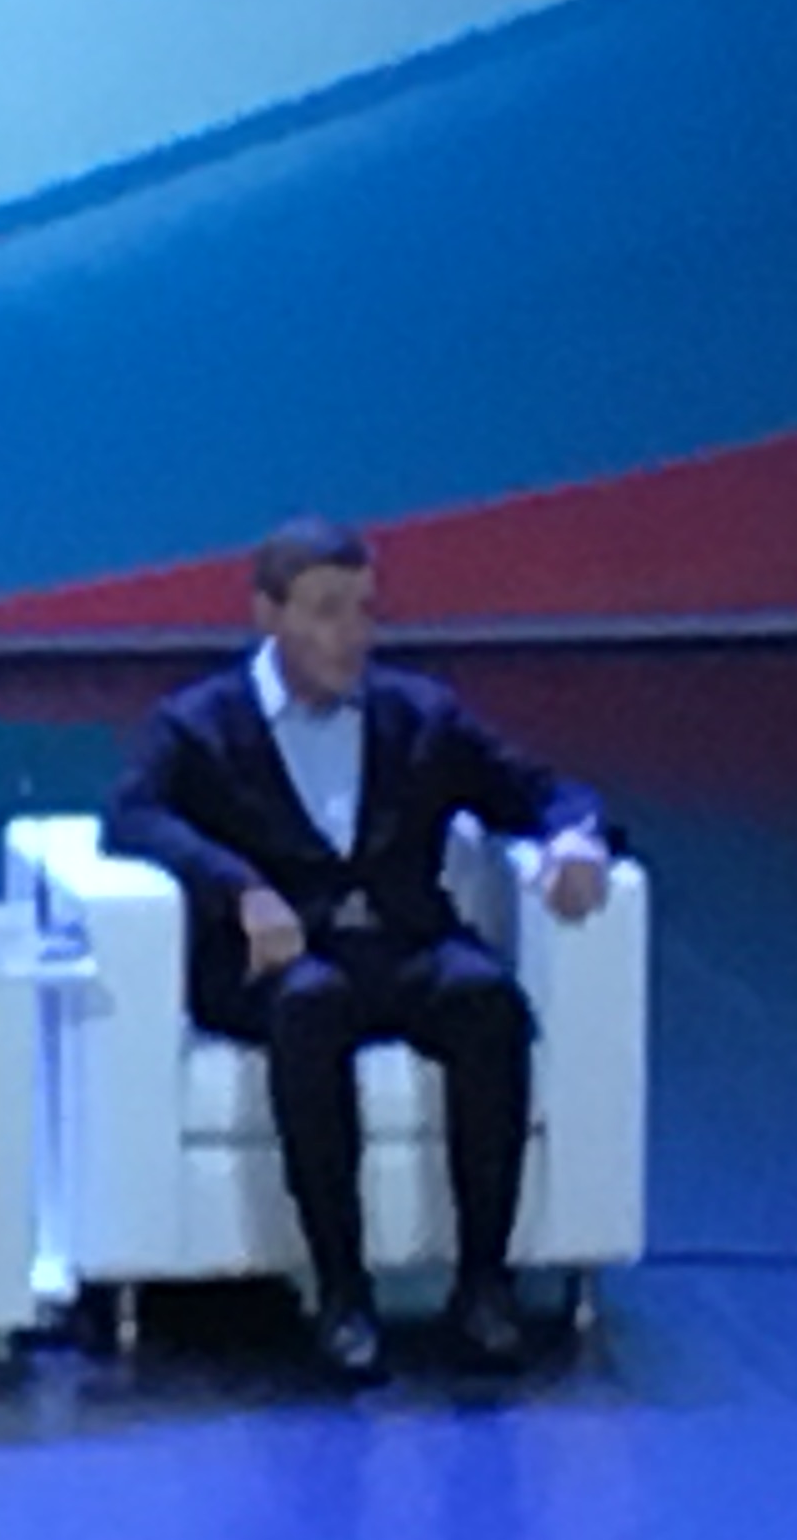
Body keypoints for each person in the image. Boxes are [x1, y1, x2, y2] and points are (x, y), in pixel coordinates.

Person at [106, 519, 616, 1382]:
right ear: (268, 615)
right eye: (326, 612)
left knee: (486, 1002)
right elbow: (134, 817)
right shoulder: (200, 725)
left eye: (364, 612)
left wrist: (575, 838)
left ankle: (484, 1290)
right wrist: (238, 887)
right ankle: (343, 1296)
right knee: (312, 1007)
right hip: (281, 965)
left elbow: (544, 791)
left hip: (401, 943)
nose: (352, 635)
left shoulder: (419, 717)